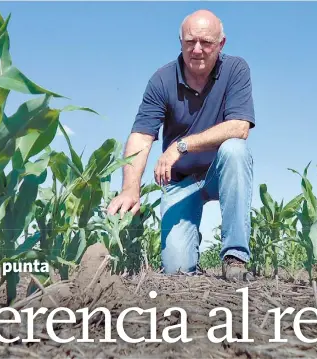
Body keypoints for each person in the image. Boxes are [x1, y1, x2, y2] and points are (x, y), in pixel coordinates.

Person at [106, 9, 255, 281]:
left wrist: (180, 145)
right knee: (176, 269)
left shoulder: (236, 70)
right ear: (181, 42)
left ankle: (235, 258)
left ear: (221, 44)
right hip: (181, 182)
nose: (197, 50)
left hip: (218, 174)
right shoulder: (161, 80)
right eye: (190, 42)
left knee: (235, 150)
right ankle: (189, 248)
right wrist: (130, 189)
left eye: (206, 43)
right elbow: (141, 135)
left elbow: (239, 127)